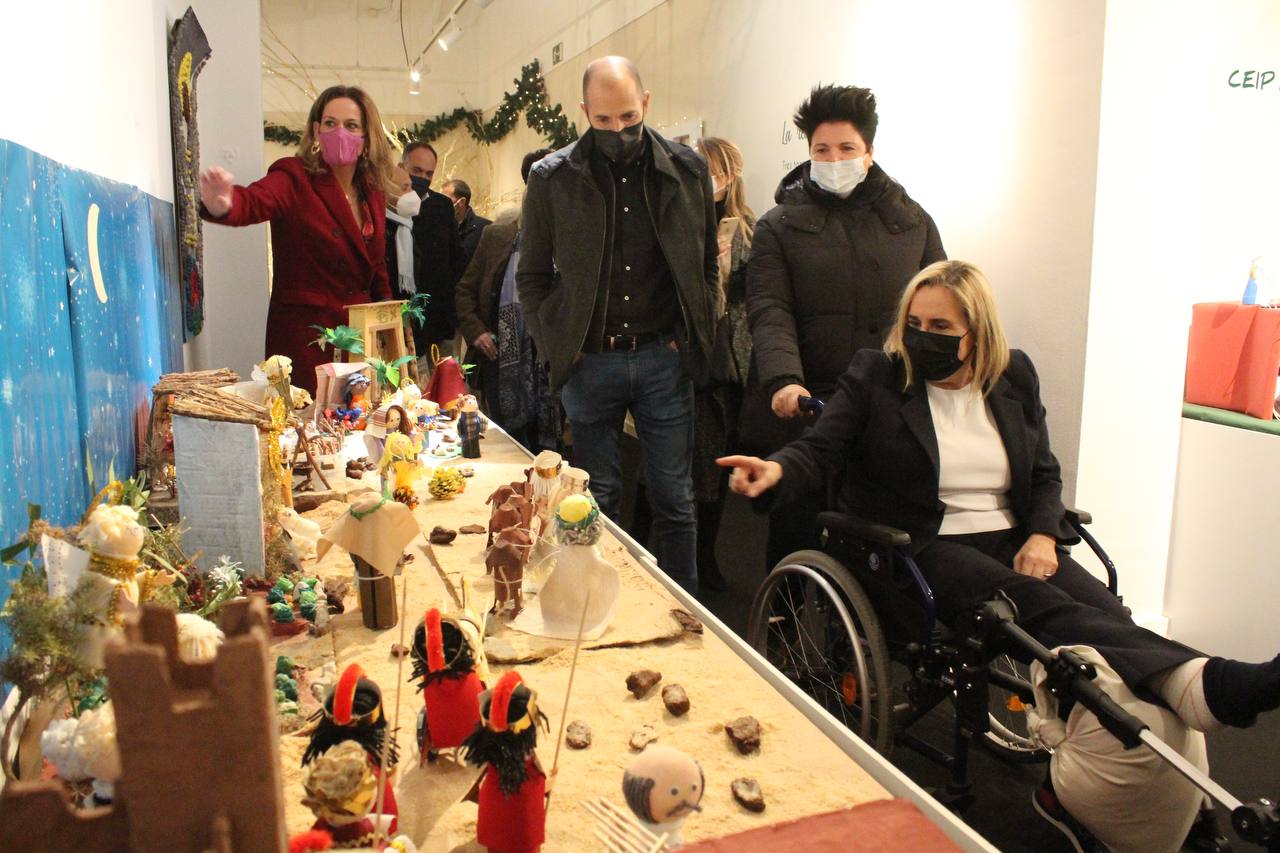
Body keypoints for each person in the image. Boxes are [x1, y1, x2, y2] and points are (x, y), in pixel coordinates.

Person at [721, 259, 1280, 737]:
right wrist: (776, 469)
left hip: (1012, 536)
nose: (922, 336)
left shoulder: (1013, 377)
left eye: (940, 326)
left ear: (977, 332)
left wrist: (1041, 533)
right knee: (1033, 603)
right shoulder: (878, 376)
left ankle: (1162, 709)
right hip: (920, 545)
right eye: (914, 323)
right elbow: (819, 450)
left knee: (1107, 611)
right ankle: (1214, 683)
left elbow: (1044, 472)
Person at [518, 56, 718, 593]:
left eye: (629, 117)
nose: (618, 131)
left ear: (646, 102)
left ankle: (685, 614)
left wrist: (691, 337)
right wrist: (559, 345)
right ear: (584, 111)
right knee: (594, 499)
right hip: (590, 360)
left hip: (663, 356)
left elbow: (706, 268)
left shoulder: (688, 170)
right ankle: (598, 606)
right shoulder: (552, 178)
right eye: (603, 120)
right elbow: (531, 277)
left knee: (675, 498)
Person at [744, 83, 946, 573]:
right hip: (811, 400)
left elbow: (943, 300)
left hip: (891, 402)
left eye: (846, 148)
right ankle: (785, 612)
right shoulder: (778, 225)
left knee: (882, 534)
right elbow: (770, 309)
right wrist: (783, 379)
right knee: (797, 524)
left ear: (869, 152)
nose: (834, 159)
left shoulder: (912, 221)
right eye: (822, 150)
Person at [199, 85, 401, 395]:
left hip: (358, 339)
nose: (339, 132)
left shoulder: (372, 192)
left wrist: (389, 318)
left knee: (357, 416)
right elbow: (256, 200)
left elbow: (375, 266)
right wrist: (224, 204)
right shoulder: (294, 175)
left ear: (366, 137)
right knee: (305, 418)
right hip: (306, 339)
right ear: (316, 130)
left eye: (351, 125)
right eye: (330, 123)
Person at [632, 137, 756, 591]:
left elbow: (748, 300)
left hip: (725, 366)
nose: (709, 181)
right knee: (661, 461)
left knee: (712, 465)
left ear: (730, 176)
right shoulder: (672, 222)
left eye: (716, 171)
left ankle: (703, 558)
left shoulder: (747, 231)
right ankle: (638, 544)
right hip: (677, 358)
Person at [455, 148, 561, 452]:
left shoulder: (570, 243)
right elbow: (464, 291)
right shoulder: (497, 236)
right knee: (506, 445)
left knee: (550, 449)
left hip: (552, 364)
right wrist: (476, 332)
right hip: (499, 361)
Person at [399, 141, 465, 362]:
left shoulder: (442, 206)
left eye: (429, 174)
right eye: (416, 171)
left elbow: (456, 257)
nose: (422, 178)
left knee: (445, 377)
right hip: (403, 312)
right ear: (402, 167)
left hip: (438, 313)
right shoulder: (388, 203)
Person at [440, 178, 491, 264]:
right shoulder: (440, 225)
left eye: (445, 200)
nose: (441, 204)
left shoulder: (485, 228)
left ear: (461, 202)